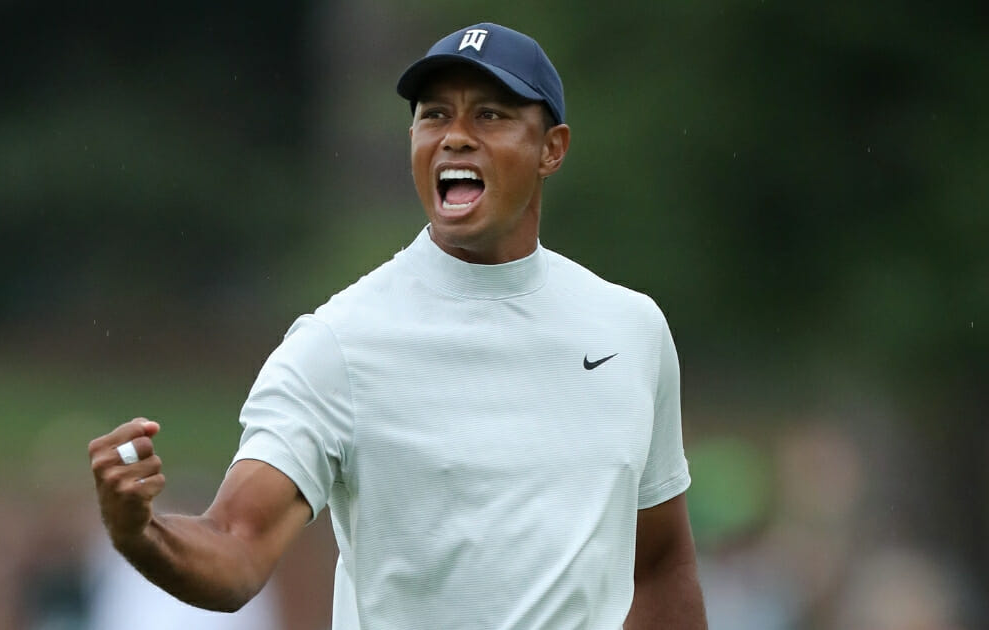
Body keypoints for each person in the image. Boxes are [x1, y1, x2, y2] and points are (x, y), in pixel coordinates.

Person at [89, 22, 707, 629]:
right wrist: (140, 534)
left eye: (489, 116)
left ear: (552, 148)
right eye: (435, 115)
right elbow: (236, 543)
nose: (455, 137)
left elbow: (657, 567)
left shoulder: (631, 331)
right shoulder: (339, 343)